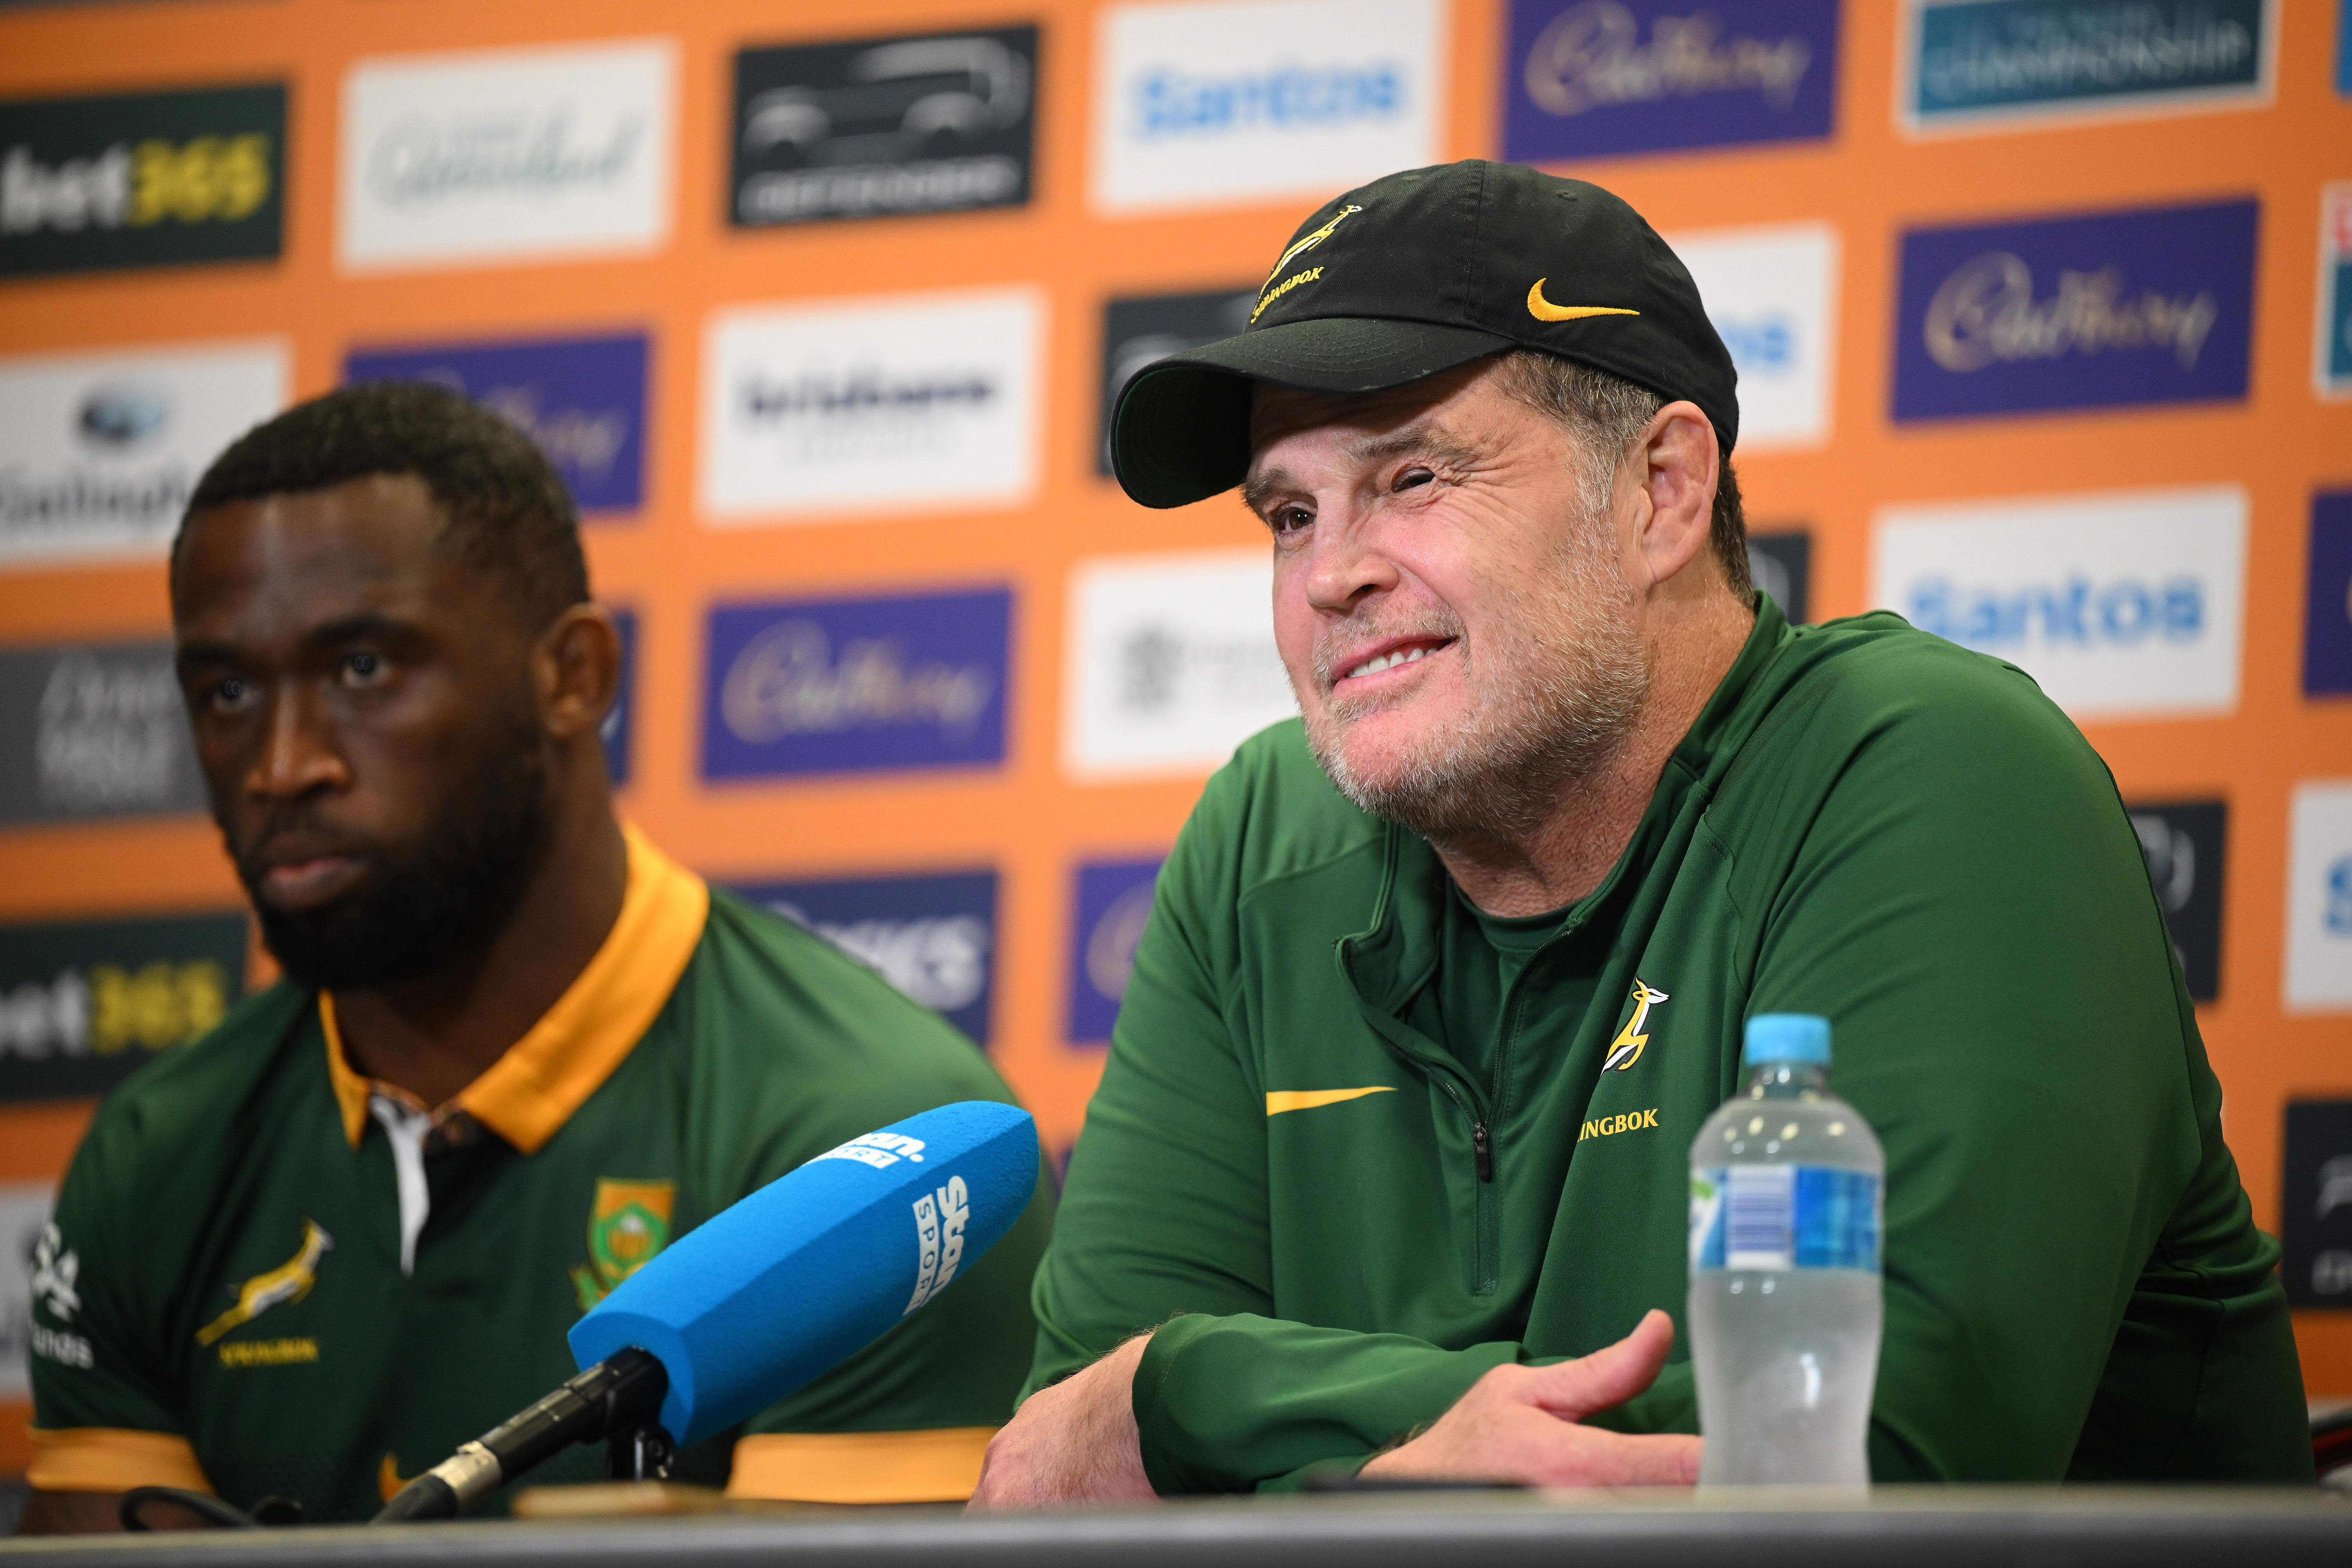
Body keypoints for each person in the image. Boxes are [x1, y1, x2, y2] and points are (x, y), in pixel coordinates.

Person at [970, 160, 2309, 1505]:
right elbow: (1059, 1477)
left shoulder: (1931, 770)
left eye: (1416, 475)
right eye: (1290, 514)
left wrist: (1191, 1391)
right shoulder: (1262, 842)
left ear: (1661, 490)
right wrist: (1251, 1416)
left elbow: (1852, 1471)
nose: (1331, 575)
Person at [23, 383, 1051, 1529]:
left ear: (575, 675)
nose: (281, 762)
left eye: (362, 668)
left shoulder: (869, 1143)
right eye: (226, 690)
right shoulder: (154, 1157)